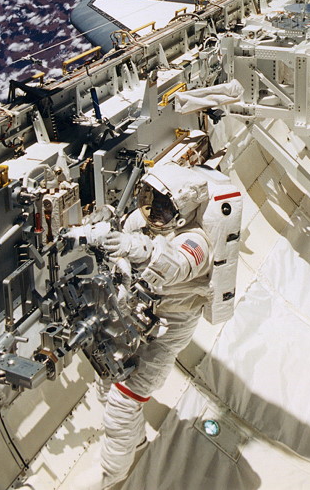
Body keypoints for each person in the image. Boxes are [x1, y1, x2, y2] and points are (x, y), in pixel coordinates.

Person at [96, 167, 212, 488]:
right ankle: (135, 446)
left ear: (181, 211)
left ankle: (112, 477)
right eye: (149, 201)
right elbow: (122, 252)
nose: (153, 211)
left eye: (163, 206)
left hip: (169, 330)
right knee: (107, 381)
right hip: (136, 313)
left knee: (122, 404)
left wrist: (132, 248)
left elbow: (173, 264)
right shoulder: (142, 221)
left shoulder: (196, 241)